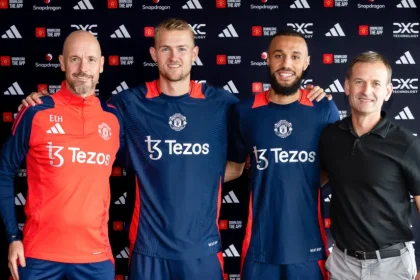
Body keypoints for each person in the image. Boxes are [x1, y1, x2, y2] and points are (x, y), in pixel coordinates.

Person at [18, 18, 329, 280]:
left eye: (181, 49)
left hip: (202, 251)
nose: (173, 57)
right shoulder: (127, 106)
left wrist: (308, 96)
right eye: (165, 48)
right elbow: (81, 116)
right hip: (148, 251)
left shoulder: (225, 106)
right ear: (154, 53)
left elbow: (253, 152)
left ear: (194, 53)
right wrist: (39, 102)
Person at [0, 31, 123, 280]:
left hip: (95, 256)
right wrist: (13, 237)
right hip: (37, 256)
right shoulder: (35, 112)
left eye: (90, 59)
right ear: (62, 62)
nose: (82, 67)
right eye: (74, 58)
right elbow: (3, 172)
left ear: (101, 65)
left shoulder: (114, 118)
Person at [225, 30, 340, 279]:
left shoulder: (324, 109)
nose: (286, 64)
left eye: (295, 57)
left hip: (308, 246)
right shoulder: (244, 111)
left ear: (306, 63)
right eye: (279, 55)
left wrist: (300, 180)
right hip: (259, 246)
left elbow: (333, 169)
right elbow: (234, 167)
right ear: (268, 59)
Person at [319, 51, 420, 280]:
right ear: (347, 86)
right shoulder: (330, 137)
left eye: (376, 83)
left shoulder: (406, 143)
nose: (366, 91)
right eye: (359, 82)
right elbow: (314, 180)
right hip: (342, 265)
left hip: (392, 266)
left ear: (387, 91)